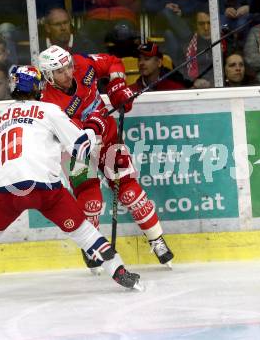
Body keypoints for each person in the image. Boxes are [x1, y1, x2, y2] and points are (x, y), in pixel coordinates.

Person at [0, 65, 142, 299]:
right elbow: (81, 148)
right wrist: (94, 126)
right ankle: (119, 272)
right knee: (84, 232)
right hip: (44, 189)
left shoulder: (2, 117)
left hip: (6, 190)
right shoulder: (49, 110)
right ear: (37, 86)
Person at [38, 45, 174, 273]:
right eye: (60, 71)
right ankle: (91, 246)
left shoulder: (83, 64)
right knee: (90, 199)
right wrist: (89, 127)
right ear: (49, 76)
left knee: (129, 191)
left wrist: (117, 88)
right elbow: (58, 137)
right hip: (74, 152)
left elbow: (113, 62)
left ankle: (156, 239)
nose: (68, 73)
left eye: (68, 66)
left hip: (108, 137)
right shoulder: (47, 102)